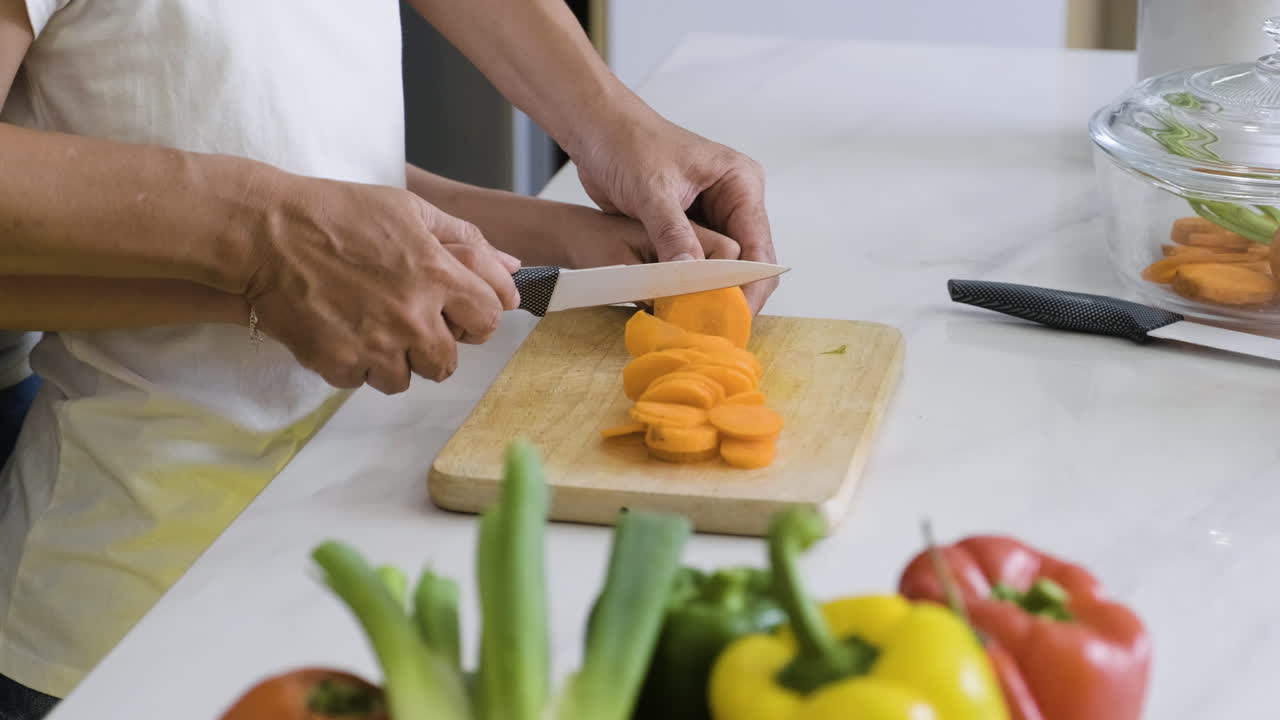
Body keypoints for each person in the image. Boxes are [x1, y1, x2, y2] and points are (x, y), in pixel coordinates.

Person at [0, 0, 776, 717]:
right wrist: (264, 243)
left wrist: (557, 228)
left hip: (373, 523)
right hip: (147, 618)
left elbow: (265, 141)